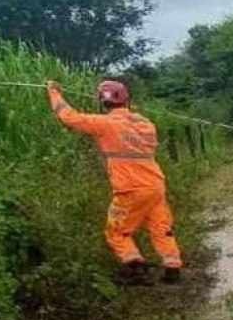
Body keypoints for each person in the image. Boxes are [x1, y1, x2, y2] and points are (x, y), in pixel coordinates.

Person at [46, 79, 182, 285]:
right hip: (156, 185)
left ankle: (135, 268)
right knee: (161, 227)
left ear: (103, 101)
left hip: (130, 189)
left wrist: (54, 92)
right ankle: (172, 269)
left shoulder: (105, 123)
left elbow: (68, 117)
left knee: (116, 232)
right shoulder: (146, 124)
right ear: (126, 98)